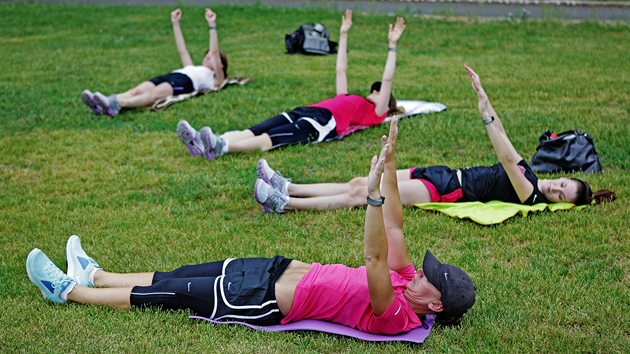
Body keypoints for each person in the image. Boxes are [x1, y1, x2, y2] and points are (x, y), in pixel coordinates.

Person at [25, 118, 476, 334]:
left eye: (429, 279)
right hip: (277, 268)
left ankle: (69, 291)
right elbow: (395, 232)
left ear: (434, 307)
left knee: (171, 296)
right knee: (182, 275)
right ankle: (98, 275)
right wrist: (392, 166)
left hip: (264, 300)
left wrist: (374, 193)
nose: (420, 271)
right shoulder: (405, 282)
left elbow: (374, 254)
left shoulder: (395, 315)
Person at [252, 65, 615, 213]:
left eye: (562, 195)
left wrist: (484, 115)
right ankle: (292, 186)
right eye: (564, 184)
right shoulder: (534, 176)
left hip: (444, 190)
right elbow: (505, 137)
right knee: (357, 182)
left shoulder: (531, 194)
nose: (557, 189)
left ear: (561, 204)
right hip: (442, 172)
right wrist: (483, 96)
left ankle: (285, 204)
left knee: (362, 195)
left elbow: (506, 156)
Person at [176, 10, 405, 160]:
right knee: (258, 129)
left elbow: (387, 80)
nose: (374, 91)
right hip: (308, 110)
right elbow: (340, 69)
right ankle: (204, 141)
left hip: (323, 123)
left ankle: (222, 146)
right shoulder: (347, 98)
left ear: (386, 103)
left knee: (271, 139)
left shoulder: (377, 112)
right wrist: (343, 34)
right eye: (374, 90)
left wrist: (392, 45)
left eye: (379, 93)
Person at [81, 8, 227, 117]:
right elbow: (182, 50)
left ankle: (116, 104)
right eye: (206, 56)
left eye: (212, 58)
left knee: (153, 94)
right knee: (136, 90)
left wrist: (211, 24)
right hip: (172, 75)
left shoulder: (216, 78)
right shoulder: (192, 67)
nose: (208, 57)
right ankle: (104, 102)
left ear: (221, 65)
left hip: (186, 82)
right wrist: (175, 23)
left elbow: (215, 52)